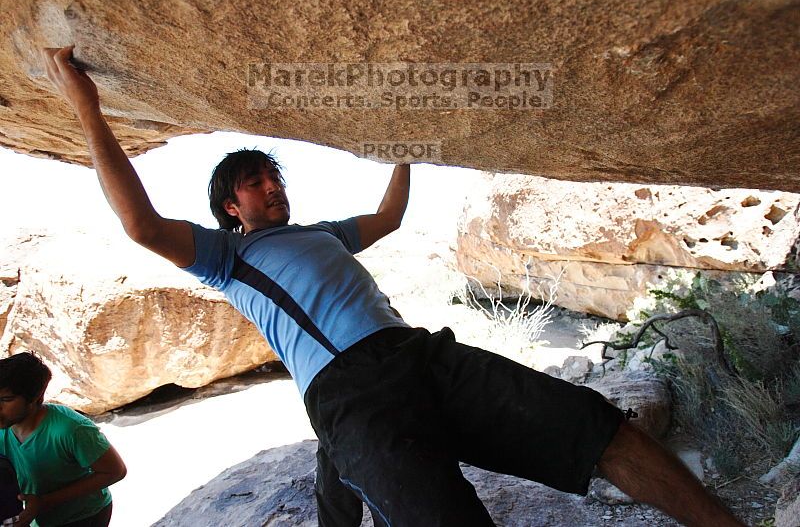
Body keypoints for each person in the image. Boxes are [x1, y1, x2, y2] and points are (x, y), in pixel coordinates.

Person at [41, 45, 745, 527]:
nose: (271, 186)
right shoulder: (228, 255)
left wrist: (406, 145)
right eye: (254, 182)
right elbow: (139, 223)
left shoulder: (321, 232)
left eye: (274, 176)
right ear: (231, 205)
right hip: (351, 394)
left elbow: (388, 216)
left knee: (600, 431)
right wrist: (86, 109)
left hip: (425, 354)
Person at [0, 353, 126, 527]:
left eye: (6, 399)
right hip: (40, 517)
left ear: (35, 397)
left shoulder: (70, 429)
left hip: (84, 516)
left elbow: (115, 471)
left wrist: (44, 501)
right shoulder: (4, 426)